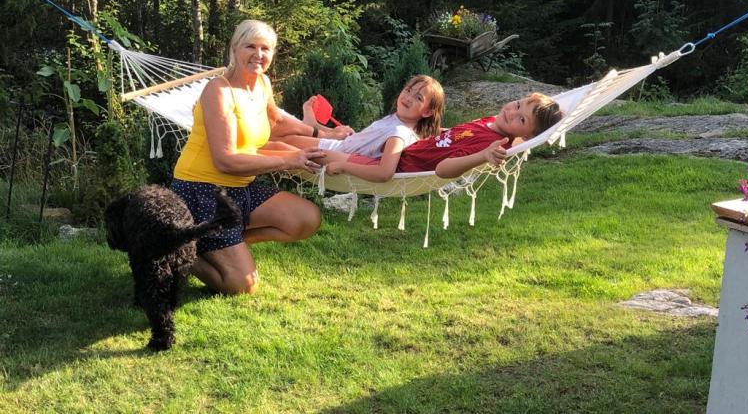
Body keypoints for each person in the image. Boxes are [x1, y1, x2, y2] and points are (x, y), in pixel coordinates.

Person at [170, 19, 329, 295]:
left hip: (241, 187)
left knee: (306, 218)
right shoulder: (219, 91)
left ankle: (218, 241)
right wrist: (290, 159)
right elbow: (226, 160)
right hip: (202, 191)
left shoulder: (262, 84)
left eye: (265, 48)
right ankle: (173, 247)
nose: (259, 54)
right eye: (250, 46)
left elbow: (276, 123)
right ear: (234, 48)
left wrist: (324, 133)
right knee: (244, 286)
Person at [324, 92, 563, 181]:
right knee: (319, 144)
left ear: (528, 134)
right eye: (518, 104)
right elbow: (454, 136)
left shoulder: (489, 144)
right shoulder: (491, 122)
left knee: (319, 154)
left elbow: (443, 170)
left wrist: (483, 156)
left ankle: (336, 159)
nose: (511, 112)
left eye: (522, 119)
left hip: (397, 165)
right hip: (404, 147)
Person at [274, 75, 445, 183]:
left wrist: (343, 166)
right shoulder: (398, 122)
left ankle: (311, 125)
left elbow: (384, 173)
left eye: (418, 98)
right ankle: (312, 125)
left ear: (427, 112)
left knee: (280, 137)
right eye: (408, 90)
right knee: (283, 131)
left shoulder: (399, 134)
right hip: (343, 144)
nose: (408, 97)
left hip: (338, 152)